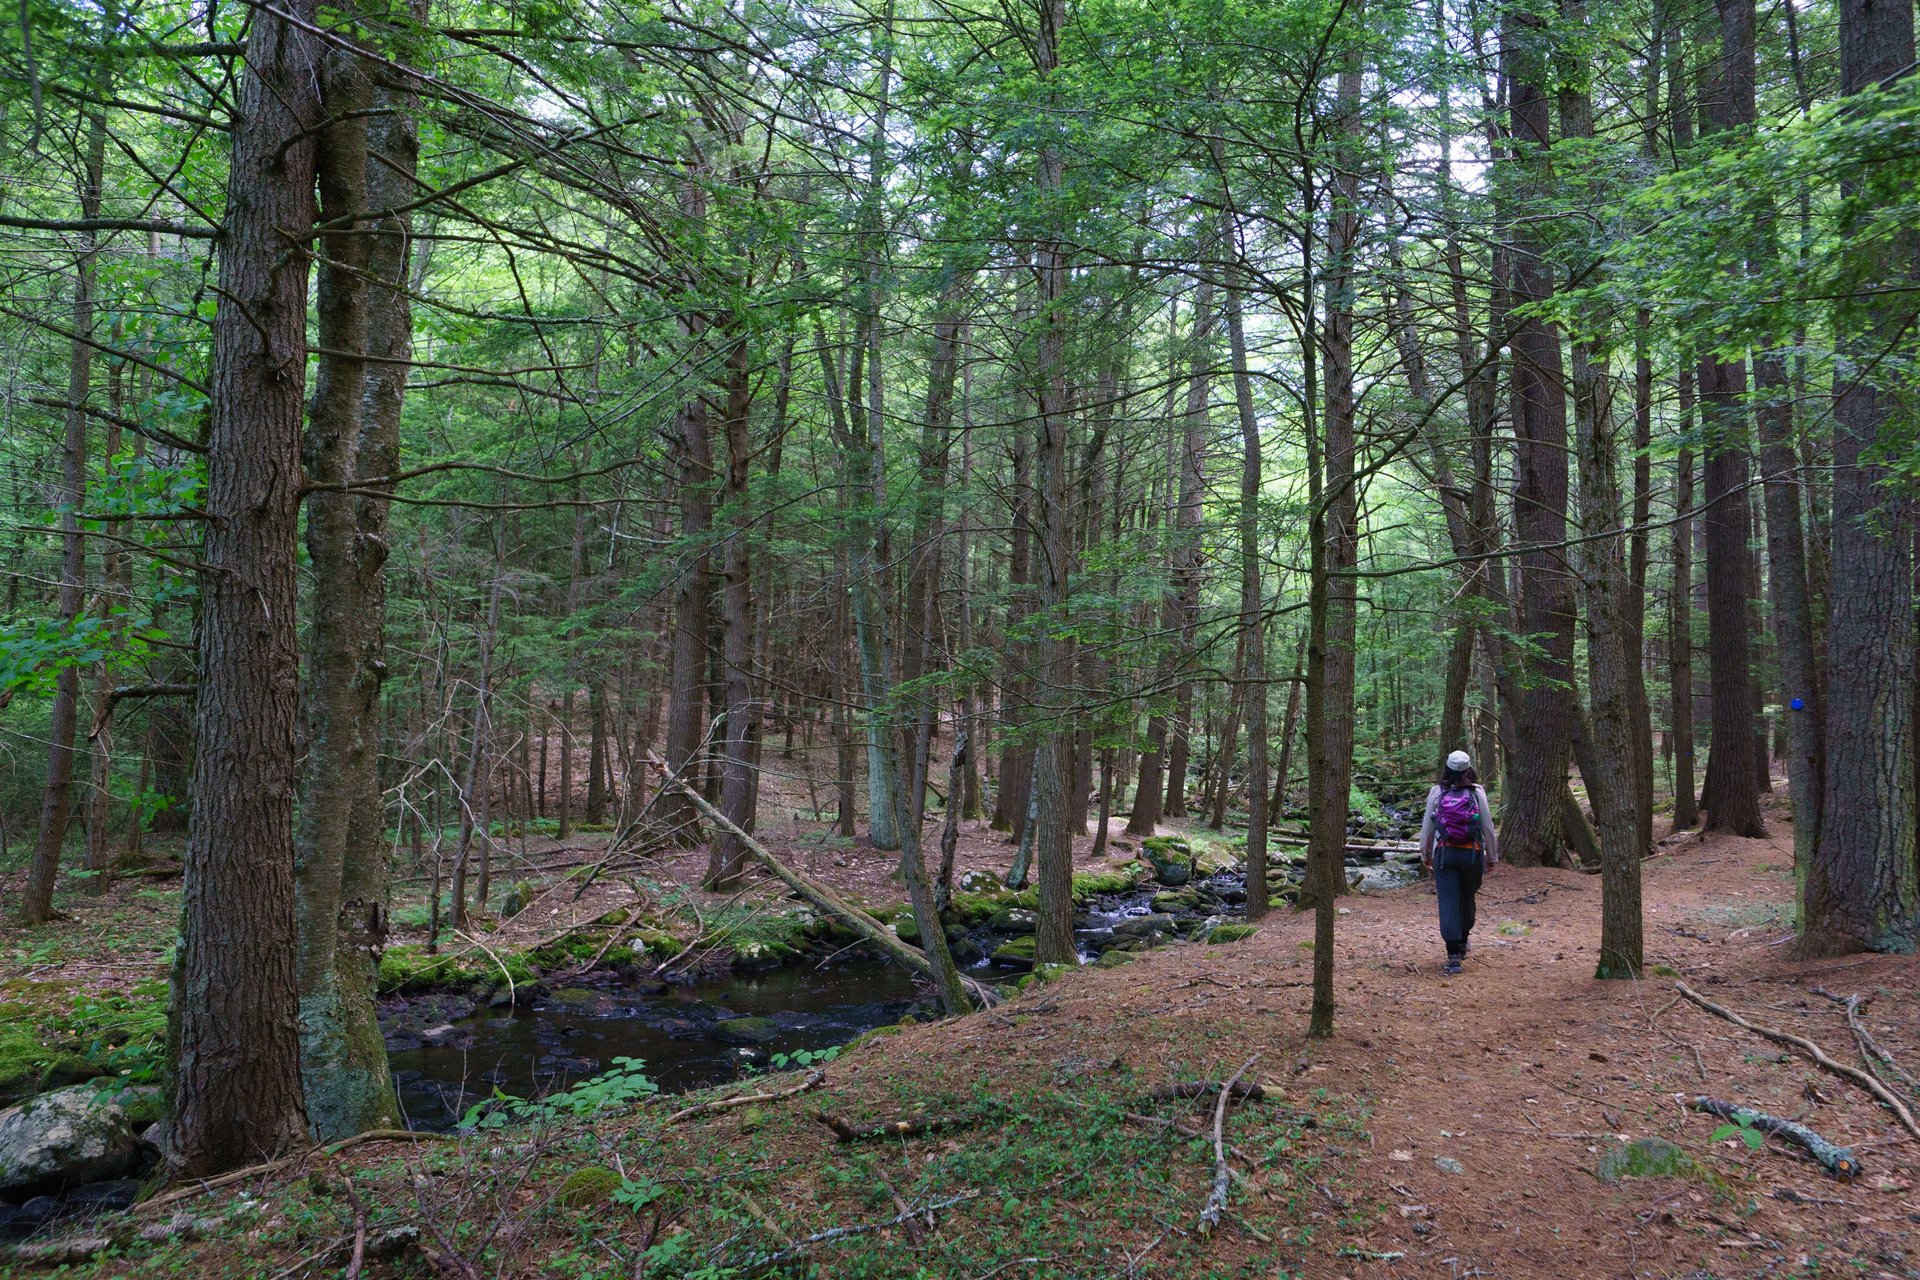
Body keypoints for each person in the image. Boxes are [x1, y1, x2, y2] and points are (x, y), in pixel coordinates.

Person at [1418, 750, 1499, 975]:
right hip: (1471, 854)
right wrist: (1492, 856)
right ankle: (1463, 941)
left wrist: (1425, 854)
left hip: (1445, 854)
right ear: (1468, 769)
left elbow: (1428, 828)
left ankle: (1453, 956)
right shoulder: (1477, 792)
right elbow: (1487, 827)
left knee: (1448, 900)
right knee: (1467, 896)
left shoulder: (1437, 792)